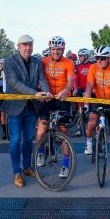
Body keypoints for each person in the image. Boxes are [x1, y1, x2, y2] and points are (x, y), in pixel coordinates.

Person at [3, 34, 50, 188]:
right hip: (15, 106)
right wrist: (34, 94)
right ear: (18, 46)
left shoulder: (37, 61)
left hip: (31, 107)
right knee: (16, 139)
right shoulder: (9, 61)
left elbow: (42, 79)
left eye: (30, 44)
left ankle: (27, 167)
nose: (28, 47)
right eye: (24, 45)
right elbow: (13, 83)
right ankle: (17, 172)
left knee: (28, 139)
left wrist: (47, 92)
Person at [36, 36, 75, 178]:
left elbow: (70, 80)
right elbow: (39, 78)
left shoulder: (69, 62)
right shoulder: (43, 61)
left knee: (64, 131)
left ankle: (65, 164)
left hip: (62, 97)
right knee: (41, 131)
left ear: (63, 49)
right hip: (47, 98)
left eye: (59, 49)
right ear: (50, 49)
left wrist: (67, 89)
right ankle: (40, 153)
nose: (56, 52)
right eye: (54, 49)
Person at [84, 46, 110, 174]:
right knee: (91, 123)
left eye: (102, 58)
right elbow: (89, 85)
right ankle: (89, 143)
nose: (98, 61)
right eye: (96, 58)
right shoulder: (93, 68)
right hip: (99, 100)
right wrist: (87, 100)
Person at [73, 48, 92, 137]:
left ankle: (94, 129)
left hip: (91, 90)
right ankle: (79, 129)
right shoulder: (78, 66)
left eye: (81, 56)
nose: (79, 57)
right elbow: (75, 79)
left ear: (86, 56)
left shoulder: (92, 66)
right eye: (79, 56)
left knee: (92, 112)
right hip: (81, 90)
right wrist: (75, 88)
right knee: (80, 111)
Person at [0, 59, 8, 140]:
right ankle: (4, 132)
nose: (1, 65)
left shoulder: (9, 71)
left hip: (11, 93)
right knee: (2, 113)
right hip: (3, 93)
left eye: (2, 64)